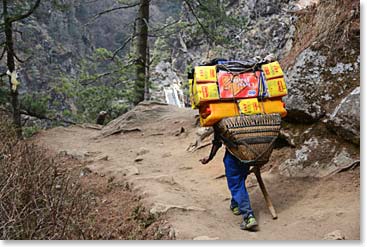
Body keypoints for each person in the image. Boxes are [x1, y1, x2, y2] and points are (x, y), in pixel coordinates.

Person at [199, 128, 258, 231]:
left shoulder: (222, 121)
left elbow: (217, 142)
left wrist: (210, 157)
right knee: (240, 180)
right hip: (248, 153)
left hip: (233, 156)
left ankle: (249, 216)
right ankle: (235, 205)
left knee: (236, 185)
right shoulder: (247, 117)